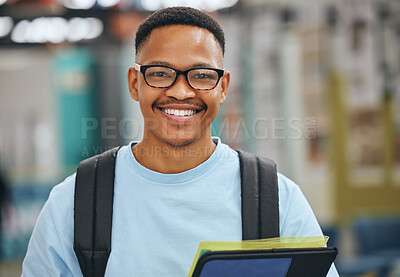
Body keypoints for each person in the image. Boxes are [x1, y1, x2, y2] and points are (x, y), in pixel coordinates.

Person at [22, 6, 339, 276]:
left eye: (201, 75)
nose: (181, 91)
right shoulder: (75, 203)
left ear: (223, 87)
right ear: (135, 83)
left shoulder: (274, 198)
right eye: (160, 73)